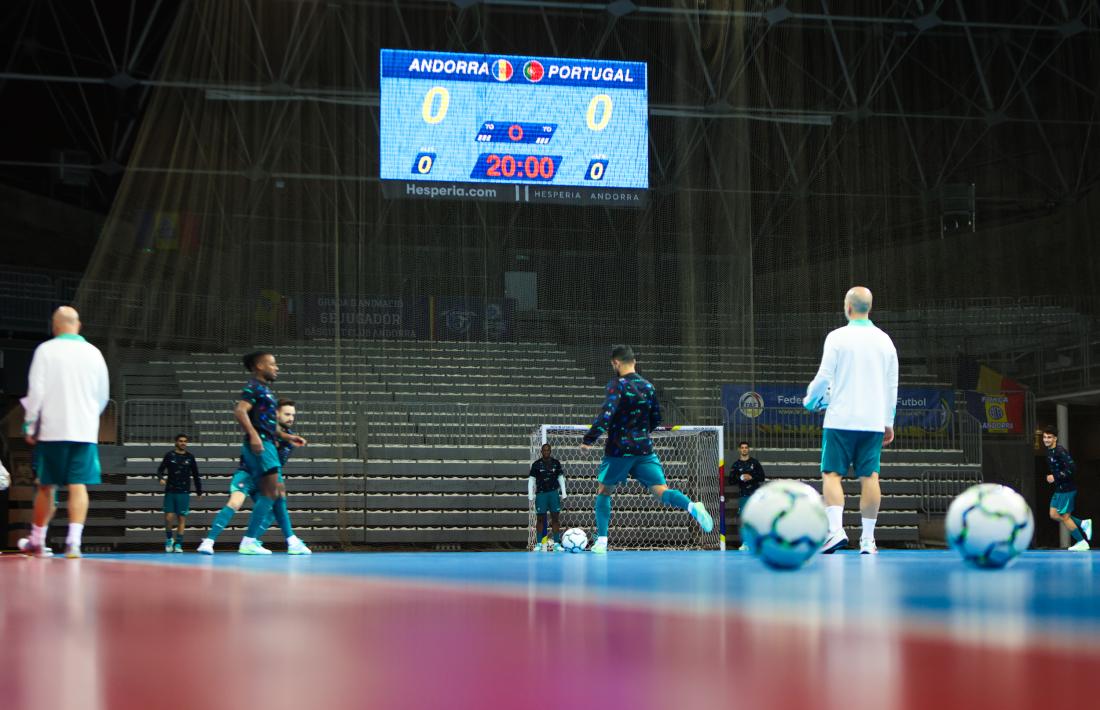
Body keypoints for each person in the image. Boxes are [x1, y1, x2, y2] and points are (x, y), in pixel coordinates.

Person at [581, 345, 713, 553]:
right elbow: (657, 418)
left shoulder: (617, 385)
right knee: (662, 492)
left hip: (618, 450)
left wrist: (589, 438)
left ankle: (602, 541)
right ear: (634, 361)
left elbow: (606, 413)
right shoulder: (648, 386)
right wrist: (641, 433)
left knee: (604, 491)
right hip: (644, 450)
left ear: (615, 363)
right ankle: (692, 506)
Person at [803, 286, 898, 555]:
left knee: (832, 474)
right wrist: (888, 421)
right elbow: (892, 385)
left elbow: (823, 377)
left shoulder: (837, 337)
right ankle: (868, 540)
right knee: (870, 476)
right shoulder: (885, 340)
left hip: (840, 418)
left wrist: (810, 401)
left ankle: (835, 532)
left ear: (847, 308)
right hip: (872, 422)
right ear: (870, 307)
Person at [18, 306, 110, 559]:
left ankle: (37, 540)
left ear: (55, 326)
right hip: (83, 430)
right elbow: (102, 395)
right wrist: (88, 418)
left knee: (46, 486)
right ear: (78, 325)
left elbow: (36, 392)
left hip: (52, 429)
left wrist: (29, 423)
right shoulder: (94, 353)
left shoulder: (46, 351)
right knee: (78, 484)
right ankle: (74, 543)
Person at [197, 400, 310, 554]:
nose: (291, 418)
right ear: (276, 413)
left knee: (273, 508)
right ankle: (209, 542)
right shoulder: (263, 430)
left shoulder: (290, 438)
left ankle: (252, 541)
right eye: (287, 414)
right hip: (248, 474)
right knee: (235, 503)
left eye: (293, 415)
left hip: (265, 479)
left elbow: (276, 463)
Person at [232, 353, 309, 555]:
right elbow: (240, 411)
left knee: (277, 493)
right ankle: (249, 540)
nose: (277, 368)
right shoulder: (254, 387)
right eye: (273, 364)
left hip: (268, 444)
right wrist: (254, 435)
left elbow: (267, 425)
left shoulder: (265, 390)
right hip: (263, 446)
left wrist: (288, 437)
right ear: (259, 365)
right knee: (271, 493)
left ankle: (290, 541)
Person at [1042, 426, 1091, 551]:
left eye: (1049, 437)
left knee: (1064, 516)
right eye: (1044, 437)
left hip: (1067, 490)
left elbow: (1072, 468)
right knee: (1053, 514)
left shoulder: (1060, 451)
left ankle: (1082, 542)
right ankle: (1083, 523)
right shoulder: (1048, 452)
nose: (1046, 439)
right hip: (1059, 489)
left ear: (1055, 439)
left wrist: (1055, 476)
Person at [157, 433, 203, 553]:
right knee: (168, 517)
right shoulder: (169, 455)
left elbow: (196, 475)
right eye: (181, 441)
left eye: (185, 441)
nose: (183, 443)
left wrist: (199, 491)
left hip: (184, 491)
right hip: (170, 490)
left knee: (181, 518)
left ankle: (178, 544)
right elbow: (160, 470)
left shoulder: (190, 457)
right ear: (176, 442)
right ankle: (169, 539)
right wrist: (160, 478)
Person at [529, 443, 567, 552]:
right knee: (540, 518)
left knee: (555, 518)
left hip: (553, 494)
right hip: (541, 494)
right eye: (544, 450)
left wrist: (564, 492)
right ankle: (539, 544)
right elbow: (531, 480)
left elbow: (560, 477)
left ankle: (556, 543)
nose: (546, 452)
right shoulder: (536, 464)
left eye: (548, 450)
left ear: (550, 451)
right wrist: (530, 494)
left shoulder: (556, 463)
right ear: (541, 451)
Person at [729, 441, 765, 551]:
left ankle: (757, 542)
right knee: (744, 519)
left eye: (746, 447)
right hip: (743, 496)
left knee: (756, 518)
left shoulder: (755, 462)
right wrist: (740, 477)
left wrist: (751, 477)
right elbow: (731, 480)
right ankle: (745, 543)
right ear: (739, 450)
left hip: (755, 496)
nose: (744, 449)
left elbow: (762, 477)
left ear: (748, 449)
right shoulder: (736, 465)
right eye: (742, 448)